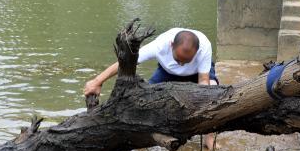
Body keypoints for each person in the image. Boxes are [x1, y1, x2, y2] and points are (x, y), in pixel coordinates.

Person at [82, 28, 216, 96]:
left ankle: (209, 139)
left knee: (213, 90)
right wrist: (97, 81)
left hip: (196, 73)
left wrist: (204, 99)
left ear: (197, 51)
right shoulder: (160, 45)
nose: (181, 65)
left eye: (186, 61)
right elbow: (126, 63)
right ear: (171, 46)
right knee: (144, 96)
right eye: (178, 60)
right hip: (167, 72)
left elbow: (203, 80)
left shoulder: (204, 46)